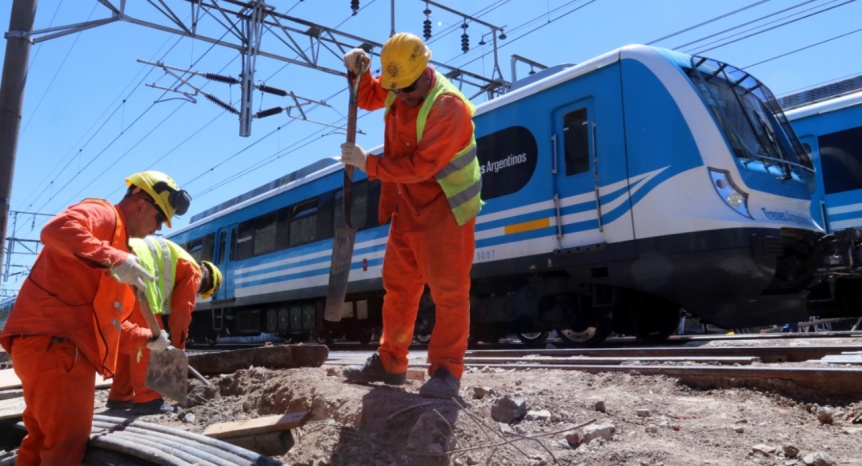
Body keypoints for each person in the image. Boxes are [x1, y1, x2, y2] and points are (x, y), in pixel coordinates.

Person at [0, 170, 190, 465]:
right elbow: (55, 230)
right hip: (58, 347)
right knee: (65, 443)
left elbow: (111, 327)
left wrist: (150, 339)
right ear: (140, 203)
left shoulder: (119, 251)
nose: (157, 229)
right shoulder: (104, 215)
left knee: (40, 440)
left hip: (48, 350)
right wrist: (116, 259)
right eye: (157, 219)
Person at [339, 33, 483, 399]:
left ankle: (446, 371)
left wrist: (367, 163)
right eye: (394, 88)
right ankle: (391, 362)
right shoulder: (399, 84)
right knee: (398, 288)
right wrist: (359, 71)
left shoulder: (449, 107)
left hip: (445, 210)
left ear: (423, 73)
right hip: (407, 207)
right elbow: (370, 93)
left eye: (404, 88)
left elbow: (422, 166)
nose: (398, 95)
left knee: (450, 293)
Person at [106, 236, 222, 415]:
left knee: (131, 336)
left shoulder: (180, 261)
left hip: (122, 262)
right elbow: (181, 316)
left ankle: (121, 395)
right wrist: (178, 348)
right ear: (207, 284)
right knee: (153, 337)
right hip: (138, 274)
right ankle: (148, 398)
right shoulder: (194, 273)